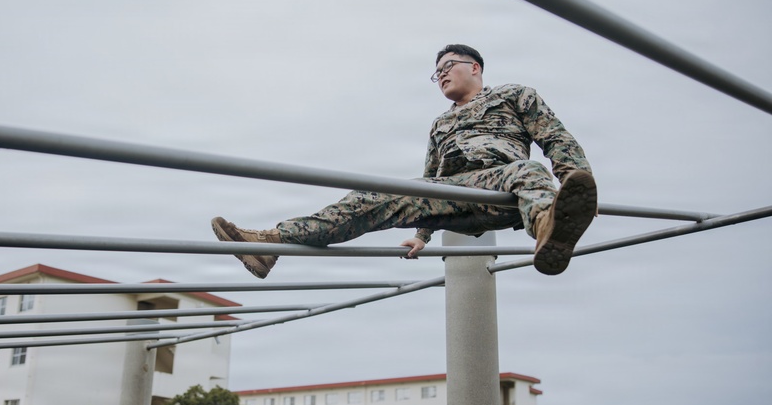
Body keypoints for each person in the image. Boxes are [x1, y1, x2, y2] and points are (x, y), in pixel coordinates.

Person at [212, 44, 597, 278]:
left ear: (474, 67)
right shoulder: (441, 123)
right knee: (371, 195)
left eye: (448, 66)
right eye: (437, 73)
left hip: (505, 186)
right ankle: (269, 245)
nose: (441, 74)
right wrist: (422, 235)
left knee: (529, 170)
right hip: (454, 197)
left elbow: (555, 137)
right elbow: (428, 181)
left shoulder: (515, 94)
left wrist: (578, 188)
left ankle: (550, 225)